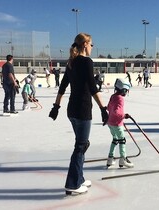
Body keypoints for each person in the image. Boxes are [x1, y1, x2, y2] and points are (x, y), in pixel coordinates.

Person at [48, 33, 108, 195]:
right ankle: (73, 183)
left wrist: (56, 106)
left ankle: (79, 178)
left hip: (71, 110)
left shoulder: (71, 62)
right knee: (81, 146)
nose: (92, 48)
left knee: (82, 143)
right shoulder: (86, 62)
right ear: (85, 45)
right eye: (92, 45)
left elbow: (62, 86)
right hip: (82, 110)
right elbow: (92, 87)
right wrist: (103, 108)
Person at [106, 78, 134, 168]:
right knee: (122, 140)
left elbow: (108, 108)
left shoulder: (113, 96)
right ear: (123, 89)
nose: (126, 93)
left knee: (115, 139)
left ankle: (110, 158)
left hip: (110, 123)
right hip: (117, 124)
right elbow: (117, 112)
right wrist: (124, 116)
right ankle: (123, 159)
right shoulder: (120, 98)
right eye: (126, 91)